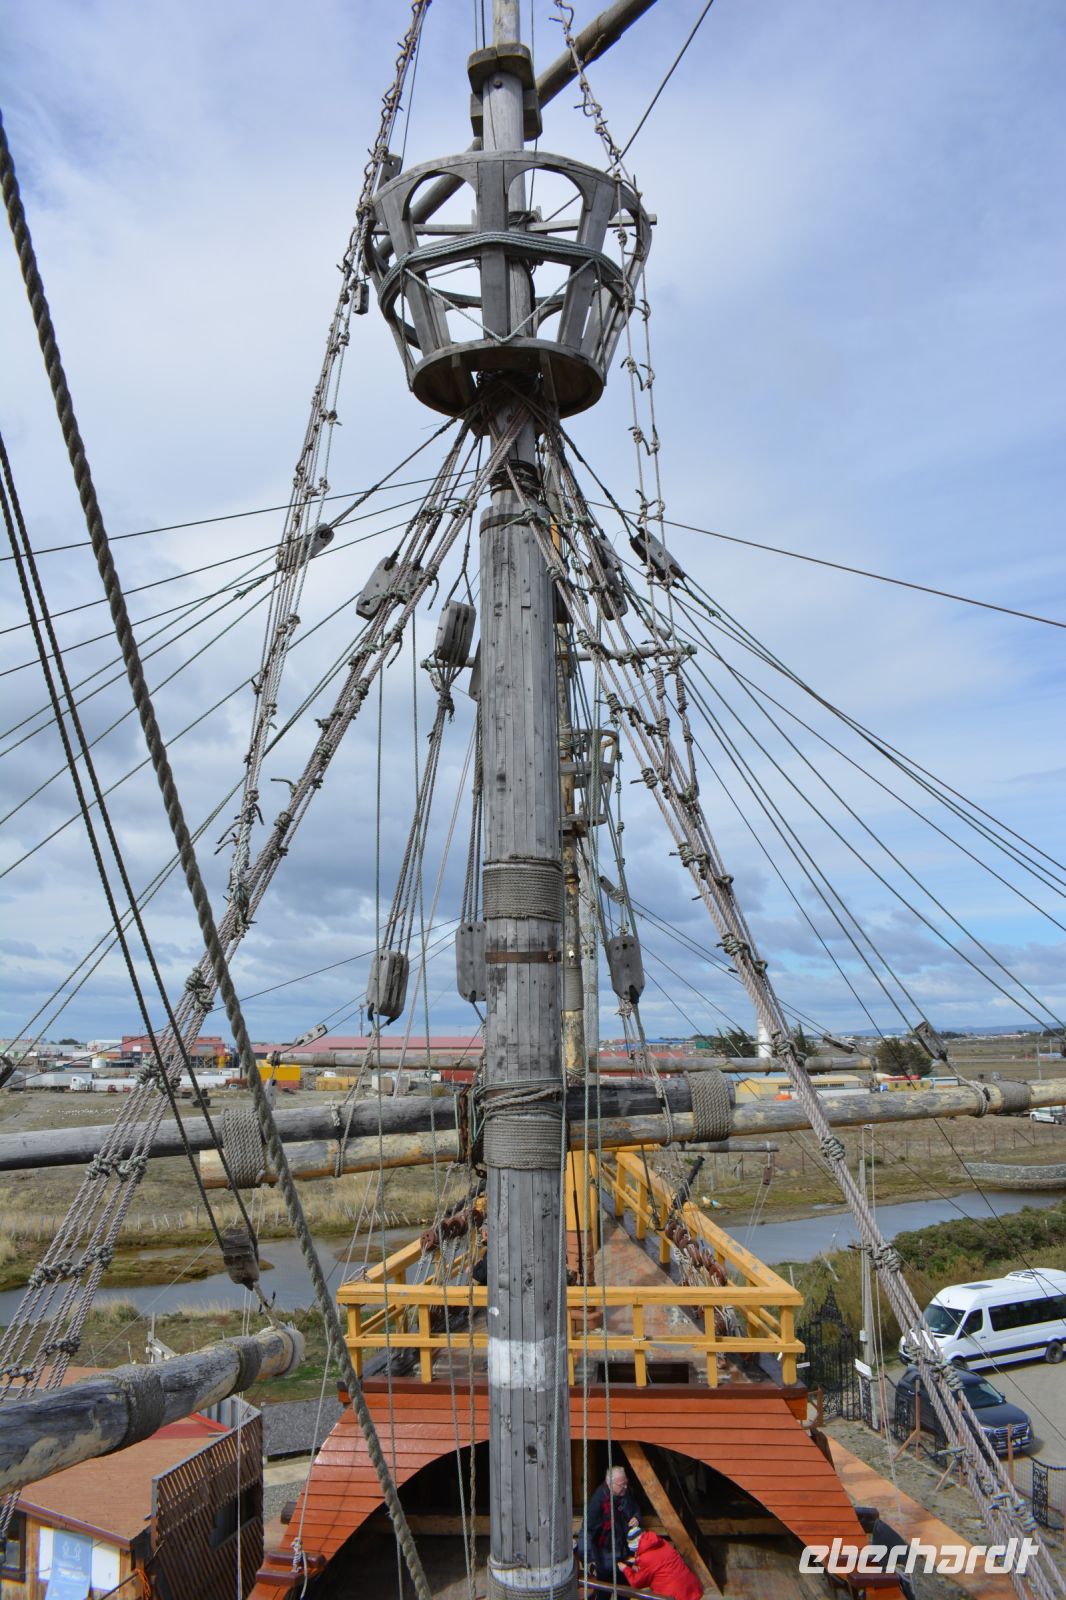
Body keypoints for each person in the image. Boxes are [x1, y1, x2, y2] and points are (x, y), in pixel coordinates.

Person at [577, 1466, 641, 1578]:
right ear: (610, 1484)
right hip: (606, 1555)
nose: (625, 1487)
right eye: (622, 1484)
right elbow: (587, 1531)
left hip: (625, 1550)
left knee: (626, 1583)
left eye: (626, 1483)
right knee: (607, 1584)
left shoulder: (626, 1493)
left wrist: (636, 1517)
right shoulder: (598, 1501)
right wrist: (588, 1559)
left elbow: (635, 1508)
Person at [621, 1527, 703, 1600]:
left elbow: (637, 1583)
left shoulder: (645, 1559)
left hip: (674, 1596)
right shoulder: (662, 1543)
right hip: (690, 1589)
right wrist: (637, 1560)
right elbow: (659, 1561)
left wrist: (625, 1569)